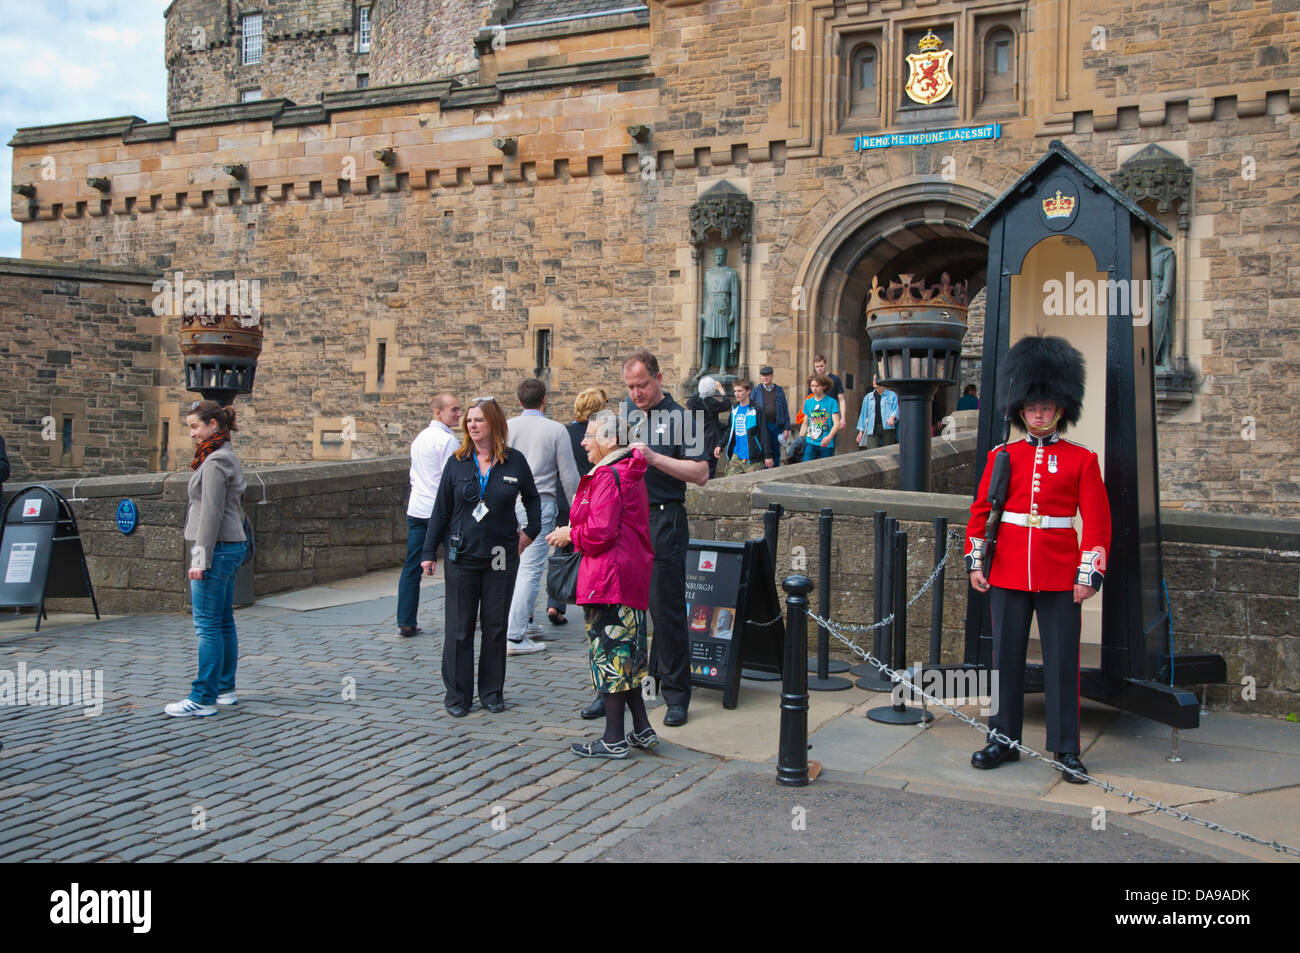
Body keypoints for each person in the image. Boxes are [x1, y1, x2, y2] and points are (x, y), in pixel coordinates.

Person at [966, 335, 1110, 784]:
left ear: (1060, 410)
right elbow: (981, 512)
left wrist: (1089, 574)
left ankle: (1066, 749)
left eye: (1046, 407)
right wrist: (976, 563)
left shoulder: (1082, 460)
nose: (1039, 414)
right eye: (1032, 408)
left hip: (1059, 574)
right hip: (1008, 570)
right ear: (1020, 410)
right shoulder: (1003, 456)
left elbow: (1098, 523)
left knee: (1062, 662)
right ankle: (1001, 740)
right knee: (1004, 658)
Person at [578, 349, 709, 727]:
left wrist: (654, 458)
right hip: (623, 523)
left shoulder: (683, 418)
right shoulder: (625, 415)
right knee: (618, 612)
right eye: (630, 386)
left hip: (663, 520)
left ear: (659, 378)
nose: (635, 393)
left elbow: (700, 472)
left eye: (642, 385)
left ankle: (676, 694)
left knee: (664, 611)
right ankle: (613, 692)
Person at [421, 396, 541, 716]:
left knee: (495, 626)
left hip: (501, 554)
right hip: (463, 553)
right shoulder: (457, 462)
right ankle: (458, 696)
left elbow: (533, 499)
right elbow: (440, 511)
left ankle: (491, 692)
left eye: (479, 420)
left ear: (494, 424)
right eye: (469, 421)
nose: (472, 425)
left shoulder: (514, 462)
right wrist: (428, 552)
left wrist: (530, 532)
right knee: (459, 628)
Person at [546, 410, 654, 758]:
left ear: (609, 441)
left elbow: (600, 532)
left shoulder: (608, 474)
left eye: (589, 436)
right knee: (631, 658)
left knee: (609, 657)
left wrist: (568, 533)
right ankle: (641, 729)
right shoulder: (628, 471)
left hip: (609, 579)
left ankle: (613, 738)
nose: (583, 441)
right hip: (628, 575)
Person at [166, 400, 247, 717]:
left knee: (208, 626)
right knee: (224, 621)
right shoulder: (225, 456)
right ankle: (225, 689)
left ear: (214, 425)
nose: (191, 433)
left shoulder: (215, 462)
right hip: (229, 546)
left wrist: (199, 559)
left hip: (217, 548)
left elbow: (210, 515)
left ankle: (202, 697)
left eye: (195, 426)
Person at [504, 379, 580, 655]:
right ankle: (514, 635)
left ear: (519, 400)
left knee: (510, 565)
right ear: (544, 400)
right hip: (539, 502)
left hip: (507, 502)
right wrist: (578, 508)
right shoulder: (555, 430)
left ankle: (524, 620)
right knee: (531, 569)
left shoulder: (508, 427)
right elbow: (569, 476)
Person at [396, 396, 459, 637]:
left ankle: (405, 620)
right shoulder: (447, 441)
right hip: (440, 512)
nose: (458, 414)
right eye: (453, 410)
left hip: (417, 508)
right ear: (438, 412)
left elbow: (415, 475)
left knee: (412, 566)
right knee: (456, 565)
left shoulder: (419, 438)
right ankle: (459, 616)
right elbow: (450, 480)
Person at [548, 387, 608, 626]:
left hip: (566, 496)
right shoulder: (600, 435)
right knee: (590, 547)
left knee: (562, 549)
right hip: (592, 496)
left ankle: (555, 602)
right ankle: (589, 596)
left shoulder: (564, 431)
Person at [716, 378, 775, 475]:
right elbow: (730, 430)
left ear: (748, 391)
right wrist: (720, 444)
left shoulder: (756, 409)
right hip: (737, 454)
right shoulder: (734, 409)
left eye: (740, 391)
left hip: (753, 456)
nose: (736, 394)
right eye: (735, 391)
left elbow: (764, 432)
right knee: (730, 482)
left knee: (753, 484)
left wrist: (768, 455)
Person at [686, 376, 730, 479]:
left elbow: (690, 401)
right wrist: (721, 389)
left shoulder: (693, 401)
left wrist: (703, 389)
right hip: (711, 440)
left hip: (698, 439)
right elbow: (727, 404)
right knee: (710, 469)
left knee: (698, 468)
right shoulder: (711, 402)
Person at [751, 365, 790, 466]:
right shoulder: (756, 390)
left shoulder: (779, 390)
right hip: (762, 426)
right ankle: (764, 472)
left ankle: (775, 470)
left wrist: (786, 428)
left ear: (772, 376)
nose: (765, 378)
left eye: (767, 376)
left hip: (776, 425)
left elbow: (785, 409)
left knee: (776, 450)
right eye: (763, 376)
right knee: (764, 450)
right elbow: (751, 409)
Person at [800, 373, 841, 460]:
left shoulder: (832, 402)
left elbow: (837, 423)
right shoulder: (808, 402)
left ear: (824, 386)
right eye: (812, 386)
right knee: (806, 468)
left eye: (817, 386)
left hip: (826, 443)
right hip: (810, 442)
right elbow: (805, 423)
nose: (814, 388)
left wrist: (829, 437)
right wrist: (801, 439)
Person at [855, 375, 899, 449]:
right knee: (872, 451)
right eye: (873, 379)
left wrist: (892, 417)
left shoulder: (892, 395)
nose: (874, 381)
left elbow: (896, 409)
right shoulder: (868, 397)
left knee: (887, 451)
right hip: (872, 428)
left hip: (887, 427)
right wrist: (860, 432)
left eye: (876, 379)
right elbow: (863, 415)